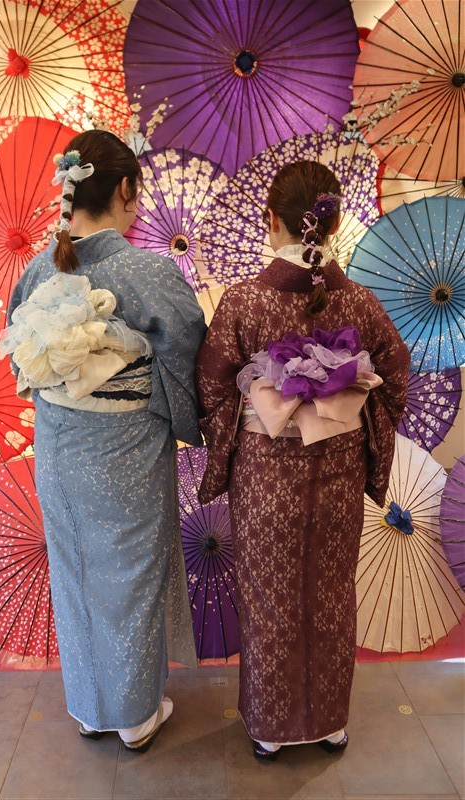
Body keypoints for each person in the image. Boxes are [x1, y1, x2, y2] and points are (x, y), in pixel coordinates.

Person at [0, 130, 206, 751]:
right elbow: (188, 347)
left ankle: (91, 707)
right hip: (127, 448)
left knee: (76, 570)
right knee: (131, 570)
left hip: (60, 447)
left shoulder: (39, 268)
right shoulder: (148, 271)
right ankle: (135, 714)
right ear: (125, 189)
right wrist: (170, 405)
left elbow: (21, 361)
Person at [196, 161, 410, 760]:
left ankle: (271, 727)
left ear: (272, 220)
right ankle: (329, 723)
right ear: (335, 224)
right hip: (337, 473)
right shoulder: (361, 302)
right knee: (332, 591)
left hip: (265, 475)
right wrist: (355, 417)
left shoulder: (244, 302)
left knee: (269, 595)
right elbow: (395, 378)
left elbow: (211, 387)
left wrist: (250, 416)